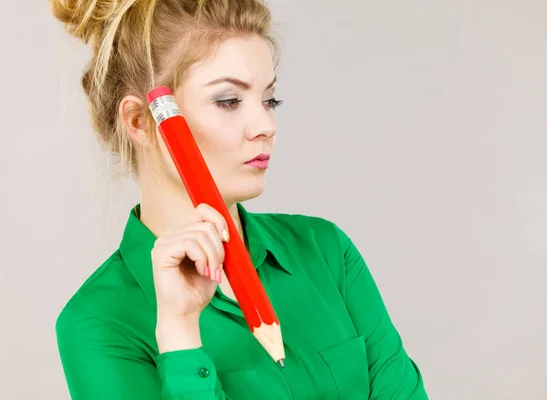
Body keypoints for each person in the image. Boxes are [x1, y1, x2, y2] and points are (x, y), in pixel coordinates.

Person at [50, 0, 429, 399]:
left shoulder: (327, 252)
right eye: (229, 101)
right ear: (140, 121)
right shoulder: (95, 323)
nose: (266, 126)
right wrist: (179, 334)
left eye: (270, 100)